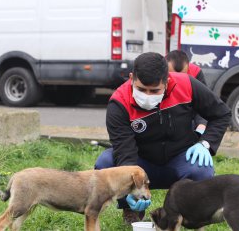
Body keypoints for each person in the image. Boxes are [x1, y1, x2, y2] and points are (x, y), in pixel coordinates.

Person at [95, 52, 231, 224]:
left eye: (155, 90)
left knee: (202, 169)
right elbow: (125, 151)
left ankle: (188, 214)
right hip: (141, 161)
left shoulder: (186, 85)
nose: (148, 95)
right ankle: (132, 208)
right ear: (131, 77)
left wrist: (205, 143)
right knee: (106, 163)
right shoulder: (119, 102)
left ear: (167, 81)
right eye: (141, 89)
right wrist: (130, 189)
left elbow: (221, 114)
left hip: (180, 158)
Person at [166, 50, 208, 135]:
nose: (177, 80)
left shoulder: (196, 72)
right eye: (173, 75)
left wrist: (202, 124)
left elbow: (203, 102)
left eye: (182, 76)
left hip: (187, 118)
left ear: (188, 68)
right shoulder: (156, 72)